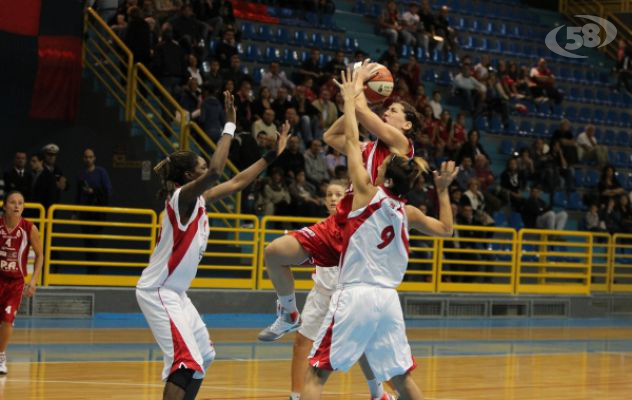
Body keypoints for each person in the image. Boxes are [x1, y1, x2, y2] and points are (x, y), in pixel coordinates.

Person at [301, 67, 457, 400]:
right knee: (400, 380)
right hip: (387, 299)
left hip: (356, 293)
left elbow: (355, 138)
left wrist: (352, 92)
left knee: (316, 375)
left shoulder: (365, 192)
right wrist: (442, 192)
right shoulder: (408, 211)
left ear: (385, 175)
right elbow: (446, 230)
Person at [135, 92, 289, 400]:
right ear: (189, 176)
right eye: (201, 167)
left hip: (176, 293)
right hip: (159, 291)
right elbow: (219, 172)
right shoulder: (181, 199)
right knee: (184, 363)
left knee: (202, 357)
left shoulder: (199, 200)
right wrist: (229, 125)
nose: (208, 170)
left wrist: (273, 154)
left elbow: (236, 182)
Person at [257, 60, 415, 344]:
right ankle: (289, 313)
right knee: (275, 252)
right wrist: (356, 98)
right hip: (340, 223)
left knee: (358, 329)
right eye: (387, 108)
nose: (387, 111)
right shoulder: (367, 147)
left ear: (407, 124)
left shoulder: (402, 145)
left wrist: (358, 92)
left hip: (364, 233)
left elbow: (364, 115)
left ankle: (378, 385)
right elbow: (331, 136)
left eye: (394, 111)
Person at [289, 180, 392, 400]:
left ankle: (378, 393)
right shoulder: (320, 227)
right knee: (301, 342)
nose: (333, 198)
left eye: (338, 194)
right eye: (329, 195)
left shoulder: (359, 225)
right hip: (320, 295)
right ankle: (296, 395)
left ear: (347, 197)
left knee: (363, 346)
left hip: (347, 297)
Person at [0, 191, 44, 375]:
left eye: (20, 203)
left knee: (7, 320)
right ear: (5, 206)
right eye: (12, 202)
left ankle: (1, 356)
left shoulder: (29, 228)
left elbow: (40, 255)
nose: (17, 206)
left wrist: (33, 281)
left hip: (16, 282)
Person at [75, 149, 113, 263]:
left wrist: (93, 191)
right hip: (84, 213)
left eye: (90, 157)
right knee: (87, 240)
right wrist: (74, 212)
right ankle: (90, 267)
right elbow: (78, 194)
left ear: (94, 158)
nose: (88, 159)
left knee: (94, 240)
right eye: (86, 157)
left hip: (97, 213)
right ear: (83, 158)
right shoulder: (81, 174)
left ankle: (95, 268)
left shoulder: (101, 172)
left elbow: (108, 191)